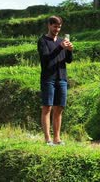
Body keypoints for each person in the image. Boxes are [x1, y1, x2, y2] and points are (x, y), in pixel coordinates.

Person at [37, 15, 73, 146]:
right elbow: (45, 59)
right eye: (55, 26)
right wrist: (60, 47)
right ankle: (47, 139)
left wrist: (69, 50)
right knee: (47, 107)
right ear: (49, 25)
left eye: (59, 26)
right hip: (48, 78)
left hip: (61, 77)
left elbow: (68, 60)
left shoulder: (62, 41)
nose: (57, 29)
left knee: (60, 108)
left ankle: (57, 138)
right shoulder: (42, 41)